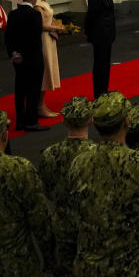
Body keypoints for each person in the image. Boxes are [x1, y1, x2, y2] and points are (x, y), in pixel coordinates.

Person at [67, 92, 139, 274]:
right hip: (138, 264)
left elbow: (74, 213)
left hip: (93, 265)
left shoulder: (78, 163)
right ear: (127, 122)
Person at [38, 97, 96, 275]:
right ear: (90, 120)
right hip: (91, 227)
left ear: (63, 121)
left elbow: (46, 191)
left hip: (61, 226)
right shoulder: (97, 153)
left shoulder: (49, 154)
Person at [0, 108, 53, 276]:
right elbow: (40, 221)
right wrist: (51, 261)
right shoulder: (18, 169)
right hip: (18, 263)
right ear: (4, 135)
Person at [5, 0, 47, 132]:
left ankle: (20, 121)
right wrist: (26, 54)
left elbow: (8, 38)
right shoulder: (35, 15)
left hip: (18, 59)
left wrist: (14, 54)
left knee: (20, 90)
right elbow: (34, 39)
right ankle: (32, 121)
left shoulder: (13, 14)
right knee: (33, 91)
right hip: (32, 58)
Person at [29, 0, 66, 119]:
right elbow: (41, 25)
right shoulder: (38, 4)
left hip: (49, 40)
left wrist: (56, 24)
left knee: (47, 71)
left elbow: (48, 19)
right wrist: (56, 28)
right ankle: (40, 106)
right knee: (44, 73)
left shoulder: (43, 1)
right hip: (43, 40)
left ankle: (40, 105)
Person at [84, 0, 116, 98]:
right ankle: (99, 92)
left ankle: (104, 89)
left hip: (107, 34)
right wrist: (89, 33)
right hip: (100, 35)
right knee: (100, 64)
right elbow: (91, 15)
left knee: (105, 64)